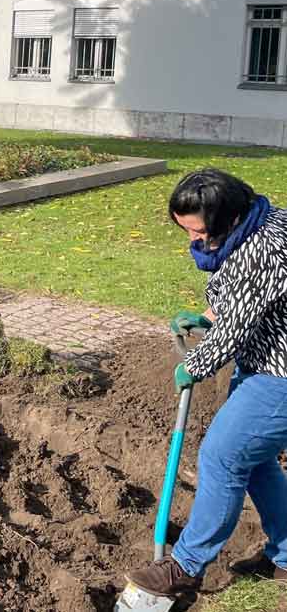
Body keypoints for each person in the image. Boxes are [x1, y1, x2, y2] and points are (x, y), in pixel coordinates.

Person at [124, 169, 287, 597]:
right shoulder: (257, 221)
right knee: (253, 461)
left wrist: (197, 364)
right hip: (264, 359)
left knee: (222, 457)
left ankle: (186, 567)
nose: (192, 241)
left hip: (281, 374)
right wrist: (207, 317)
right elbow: (244, 299)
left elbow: (237, 323)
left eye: (197, 232)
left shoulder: (266, 247)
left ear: (228, 218)